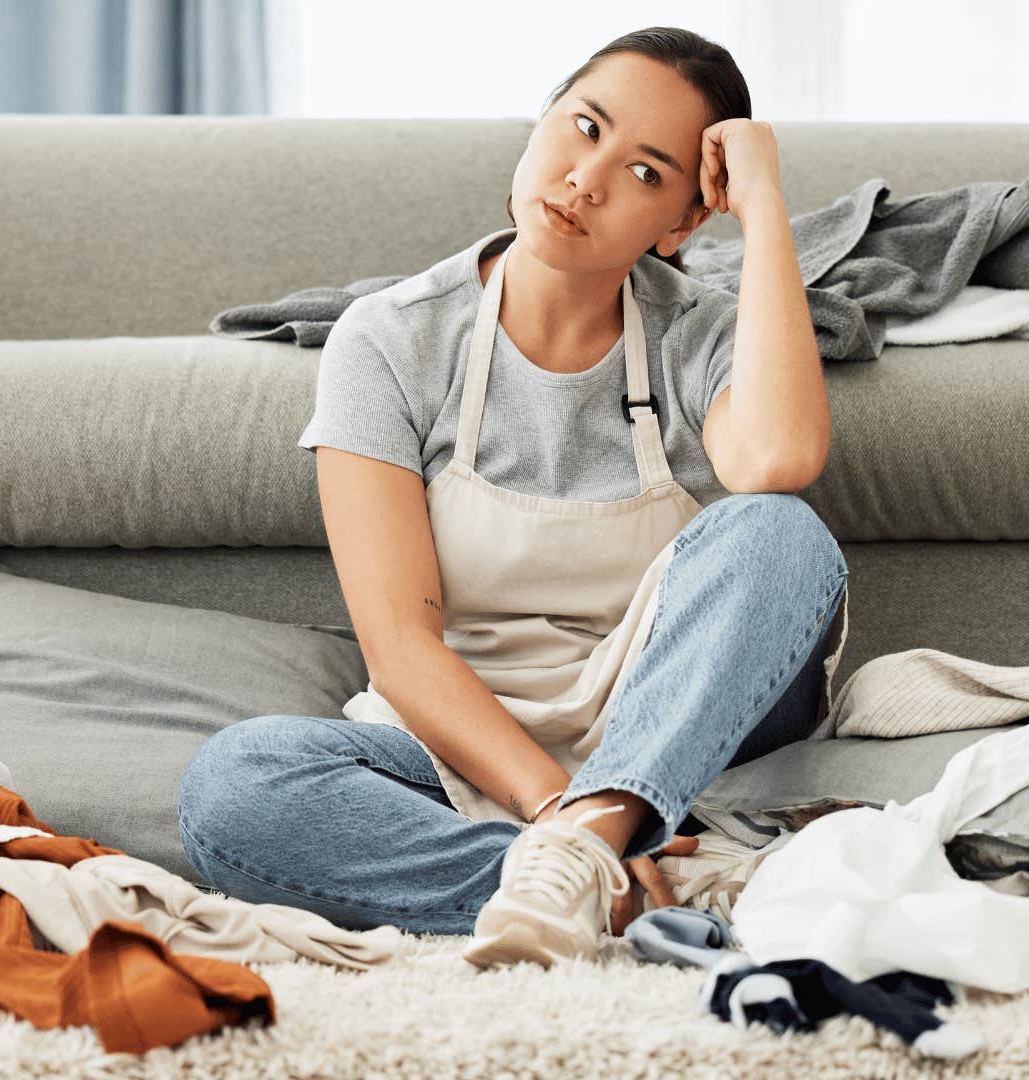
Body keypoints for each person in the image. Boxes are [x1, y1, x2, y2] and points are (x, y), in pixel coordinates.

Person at [178, 26, 848, 969]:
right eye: (582, 127)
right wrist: (552, 813)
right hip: (457, 753)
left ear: (685, 223)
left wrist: (767, 202)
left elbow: (778, 456)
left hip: (680, 733)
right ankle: (624, 878)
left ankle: (598, 846)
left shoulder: (701, 334)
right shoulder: (390, 340)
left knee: (779, 532)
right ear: (541, 122)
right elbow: (399, 646)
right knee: (235, 788)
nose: (587, 177)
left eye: (648, 174)